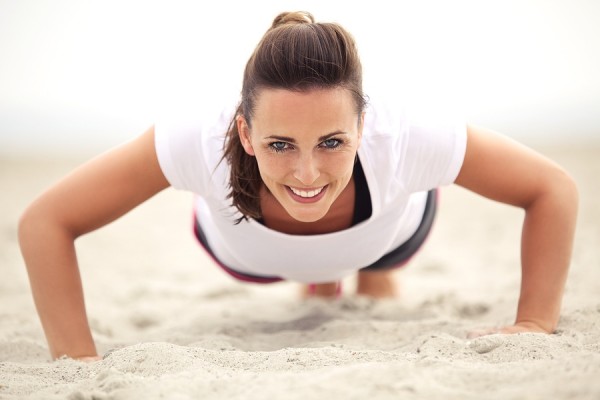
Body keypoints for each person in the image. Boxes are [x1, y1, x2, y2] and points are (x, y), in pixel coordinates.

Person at [18, 11, 578, 361]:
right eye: (280, 144)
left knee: (373, 260)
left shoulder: (407, 134)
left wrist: (532, 323)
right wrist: (79, 360)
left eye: (333, 142)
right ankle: (327, 280)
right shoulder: (195, 138)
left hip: (388, 236)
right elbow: (46, 222)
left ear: (363, 126)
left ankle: (362, 277)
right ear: (244, 131)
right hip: (246, 253)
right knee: (317, 216)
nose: (307, 174)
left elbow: (552, 189)